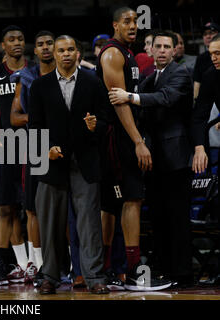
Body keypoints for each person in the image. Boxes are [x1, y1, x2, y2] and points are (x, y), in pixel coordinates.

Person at [109, 30, 194, 288]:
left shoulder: (180, 73)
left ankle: (183, 275)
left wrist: (129, 97)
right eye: (158, 46)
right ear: (151, 50)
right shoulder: (149, 76)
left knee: (177, 219)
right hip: (154, 159)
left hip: (176, 158)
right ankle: (164, 270)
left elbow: (164, 99)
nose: (163, 50)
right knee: (158, 218)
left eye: (168, 46)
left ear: (174, 50)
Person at [96, 6, 172, 291]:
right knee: (129, 201)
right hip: (118, 137)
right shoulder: (113, 53)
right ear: (115, 25)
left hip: (125, 135)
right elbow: (119, 101)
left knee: (119, 204)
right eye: (126, 21)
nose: (133, 25)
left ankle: (112, 271)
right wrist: (138, 141)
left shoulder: (129, 54)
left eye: (135, 21)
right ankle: (130, 272)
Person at [29, 35, 109, 295]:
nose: (65, 54)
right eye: (61, 49)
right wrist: (44, 150)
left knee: (89, 224)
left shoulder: (93, 82)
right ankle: (50, 276)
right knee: (50, 224)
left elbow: (105, 122)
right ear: (54, 53)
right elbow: (34, 127)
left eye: (70, 49)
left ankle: (94, 277)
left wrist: (95, 127)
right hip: (52, 163)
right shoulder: (40, 86)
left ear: (78, 53)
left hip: (84, 162)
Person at [0, 25, 30, 286]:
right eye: (11, 39)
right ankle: (6, 263)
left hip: (35, 144)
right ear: (3, 45)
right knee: (5, 207)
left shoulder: (34, 71)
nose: (17, 43)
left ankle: (38, 263)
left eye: (20, 38)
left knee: (34, 208)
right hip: (7, 145)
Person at [10, 30, 56, 285]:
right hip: (36, 148)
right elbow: (15, 117)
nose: (46, 47)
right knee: (33, 209)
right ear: (35, 51)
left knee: (68, 208)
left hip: (64, 146)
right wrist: (38, 118)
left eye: (50, 43)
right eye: (41, 45)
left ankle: (72, 265)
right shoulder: (26, 77)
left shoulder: (68, 75)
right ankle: (38, 265)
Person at [192, 35, 220, 175]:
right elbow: (199, 115)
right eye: (211, 54)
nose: (213, 58)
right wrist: (199, 146)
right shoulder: (210, 75)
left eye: (218, 53)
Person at [193, 22, 219, 98]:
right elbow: (197, 82)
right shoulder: (201, 58)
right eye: (205, 34)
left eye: (211, 33)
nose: (208, 36)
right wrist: (195, 100)